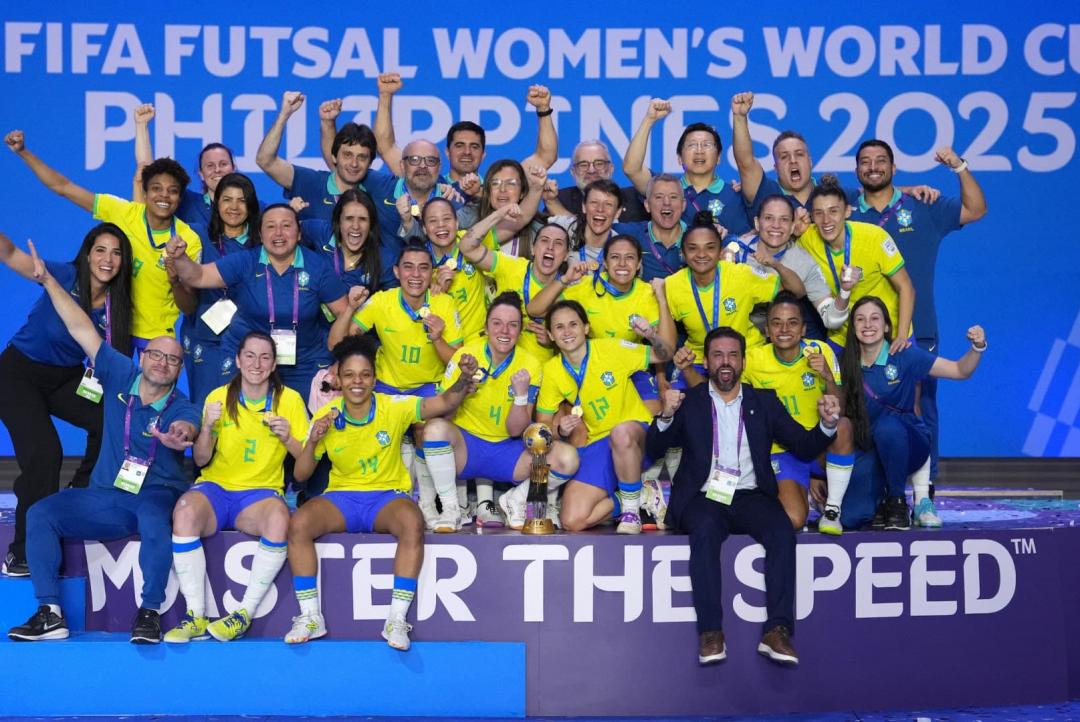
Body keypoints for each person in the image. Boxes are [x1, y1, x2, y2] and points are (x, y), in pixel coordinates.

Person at [7, 241, 198, 643]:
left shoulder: (183, 406)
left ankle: (149, 613)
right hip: (107, 497)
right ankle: (49, 612)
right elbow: (81, 326)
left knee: (155, 521)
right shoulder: (119, 373)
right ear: (142, 358)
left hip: (153, 495)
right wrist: (49, 282)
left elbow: (188, 430)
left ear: (180, 369)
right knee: (41, 512)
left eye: (173, 359)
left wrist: (181, 435)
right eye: (156, 355)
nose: (162, 363)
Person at [646, 326, 840, 665]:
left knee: (782, 531)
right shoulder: (689, 401)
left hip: (750, 495)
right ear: (706, 362)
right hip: (704, 496)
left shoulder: (763, 401)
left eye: (733, 355)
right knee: (705, 531)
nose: (726, 362)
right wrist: (665, 415)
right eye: (718, 355)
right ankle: (711, 633)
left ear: (743, 362)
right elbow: (654, 449)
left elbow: (803, 445)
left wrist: (826, 424)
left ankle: (777, 631)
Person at [284, 334, 480, 648]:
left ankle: (396, 620)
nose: (357, 382)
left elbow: (444, 403)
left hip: (386, 498)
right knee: (298, 525)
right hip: (342, 499)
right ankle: (310, 616)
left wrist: (463, 378)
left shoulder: (394, 406)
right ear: (338, 380)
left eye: (364, 375)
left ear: (374, 379)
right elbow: (300, 474)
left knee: (412, 522)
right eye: (349, 375)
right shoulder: (326, 415)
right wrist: (313, 442)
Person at [848, 139, 988, 489]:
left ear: (894, 168)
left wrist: (958, 166)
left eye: (881, 161)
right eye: (866, 162)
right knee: (864, 410)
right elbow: (808, 200)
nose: (873, 167)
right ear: (856, 170)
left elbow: (975, 210)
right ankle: (878, 489)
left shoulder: (923, 206)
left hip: (918, 328)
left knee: (922, 408)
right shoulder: (846, 209)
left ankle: (925, 491)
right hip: (862, 335)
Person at [0, 226, 133, 577]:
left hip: (66, 377)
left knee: (109, 416)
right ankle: (22, 552)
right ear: (87, 254)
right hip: (18, 373)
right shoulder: (62, 274)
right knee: (45, 454)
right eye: (100, 250)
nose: (107, 259)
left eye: (116, 252)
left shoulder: (118, 305)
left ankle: (77, 493)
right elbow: (10, 254)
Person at [164, 332, 309, 643]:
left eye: (265, 357)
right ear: (239, 361)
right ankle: (195, 615)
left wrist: (288, 438)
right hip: (216, 488)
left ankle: (243, 614)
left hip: (259, 495)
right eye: (250, 356)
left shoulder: (290, 400)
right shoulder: (218, 396)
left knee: (279, 518)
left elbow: (305, 461)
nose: (257, 364)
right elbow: (200, 459)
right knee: (184, 511)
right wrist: (206, 427)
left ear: (274, 364)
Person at [5, 130, 202, 349]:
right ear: (145, 192)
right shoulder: (123, 212)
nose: (164, 196)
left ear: (180, 198)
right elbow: (64, 187)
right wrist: (23, 152)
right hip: (110, 326)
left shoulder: (188, 240)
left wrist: (174, 280)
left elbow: (189, 306)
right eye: (156, 188)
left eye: (172, 191)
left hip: (155, 336)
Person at [423, 292, 579, 530]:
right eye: (497, 323)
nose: (504, 331)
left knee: (567, 457)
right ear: (486, 328)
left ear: (520, 330)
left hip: (509, 453)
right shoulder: (465, 356)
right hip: (467, 449)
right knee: (434, 429)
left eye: (513, 325)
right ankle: (451, 509)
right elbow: (444, 415)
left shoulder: (530, 364)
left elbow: (516, 430)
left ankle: (517, 499)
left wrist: (520, 396)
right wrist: (463, 384)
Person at [166, 204, 350, 399]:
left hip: (304, 361)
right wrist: (181, 258)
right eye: (270, 226)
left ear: (299, 234)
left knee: (301, 416)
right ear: (261, 235)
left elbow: (344, 314)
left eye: (286, 225)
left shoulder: (318, 267)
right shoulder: (245, 261)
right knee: (240, 413)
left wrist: (341, 361)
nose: (278, 233)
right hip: (249, 358)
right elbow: (200, 276)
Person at [840, 296, 986, 530]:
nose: (868, 325)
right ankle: (880, 499)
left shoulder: (904, 354)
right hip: (873, 450)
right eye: (860, 319)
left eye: (875, 318)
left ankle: (897, 502)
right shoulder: (845, 363)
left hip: (910, 445)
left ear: (886, 326)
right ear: (853, 326)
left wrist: (977, 347)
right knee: (850, 517)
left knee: (888, 427)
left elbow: (960, 370)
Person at [536, 300, 674, 534]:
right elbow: (543, 425)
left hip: (636, 435)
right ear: (550, 335)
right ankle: (642, 494)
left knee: (620, 432)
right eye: (559, 327)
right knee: (572, 520)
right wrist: (560, 430)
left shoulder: (612, 348)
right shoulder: (551, 370)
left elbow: (665, 354)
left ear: (586, 328)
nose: (567, 332)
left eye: (573, 324)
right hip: (599, 442)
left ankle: (631, 512)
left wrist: (651, 335)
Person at [254, 92, 399, 288]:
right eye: (347, 155)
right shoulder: (310, 182)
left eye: (362, 157)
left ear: (371, 162)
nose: (354, 163)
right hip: (311, 293)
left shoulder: (378, 190)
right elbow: (265, 160)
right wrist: (284, 114)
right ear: (334, 157)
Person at [526, 233, 676, 413]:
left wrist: (661, 299)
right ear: (605, 262)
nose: (622, 264)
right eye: (615, 257)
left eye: (629, 258)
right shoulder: (587, 286)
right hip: (589, 367)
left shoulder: (646, 293)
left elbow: (667, 347)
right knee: (574, 421)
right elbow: (534, 310)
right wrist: (565, 280)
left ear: (638, 264)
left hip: (629, 364)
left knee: (653, 410)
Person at [743, 292, 855, 533]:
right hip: (783, 452)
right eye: (776, 323)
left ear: (803, 329)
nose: (784, 329)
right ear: (767, 330)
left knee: (843, 425)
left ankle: (832, 510)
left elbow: (841, 407)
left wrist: (827, 376)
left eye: (792, 322)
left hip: (819, 446)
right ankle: (803, 493)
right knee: (793, 519)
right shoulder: (752, 360)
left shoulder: (821, 351)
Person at [364, 74, 559, 195]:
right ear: (447, 152)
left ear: (484, 154)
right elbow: (385, 146)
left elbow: (546, 157)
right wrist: (385, 95)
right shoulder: (425, 180)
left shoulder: (497, 189)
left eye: (474, 147)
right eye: (459, 145)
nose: (467, 152)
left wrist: (543, 109)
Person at [797, 175, 915, 353]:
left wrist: (902, 336)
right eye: (819, 213)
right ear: (812, 216)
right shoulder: (807, 240)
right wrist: (793, 229)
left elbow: (906, 287)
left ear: (847, 211)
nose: (826, 220)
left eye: (833, 211)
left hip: (888, 332)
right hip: (842, 336)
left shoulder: (874, 237)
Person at [664, 213, 779, 388]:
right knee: (678, 399)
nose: (701, 254)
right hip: (698, 357)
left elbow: (792, 291)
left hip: (745, 353)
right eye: (693, 248)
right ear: (683, 253)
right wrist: (660, 378)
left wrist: (777, 265)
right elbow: (665, 343)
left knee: (759, 398)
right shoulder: (672, 285)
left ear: (720, 252)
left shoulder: (741, 275)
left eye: (710, 247)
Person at [181, 172, 260, 409]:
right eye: (227, 199)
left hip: (249, 340)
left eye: (241, 200)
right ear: (216, 203)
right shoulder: (197, 235)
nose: (234, 207)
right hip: (204, 340)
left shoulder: (262, 244)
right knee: (206, 410)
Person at [623, 100, 752, 235]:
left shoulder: (735, 195)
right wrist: (649, 120)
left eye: (707, 145)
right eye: (692, 145)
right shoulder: (664, 189)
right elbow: (632, 169)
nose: (699, 151)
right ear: (679, 158)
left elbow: (745, 240)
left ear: (719, 157)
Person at [735, 194, 850, 342]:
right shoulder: (736, 251)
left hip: (785, 338)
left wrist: (845, 291)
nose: (776, 225)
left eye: (784, 219)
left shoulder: (805, 262)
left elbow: (832, 320)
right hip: (740, 336)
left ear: (792, 226)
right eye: (769, 218)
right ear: (757, 223)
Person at [133, 103, 237, 228]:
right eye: (210, 165)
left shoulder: (249, 207)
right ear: (201, 174)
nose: (217, 169)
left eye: (223, 164)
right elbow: (146, 171)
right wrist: (141, 125)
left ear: (233, 169)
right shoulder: (188, 202)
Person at [299, 188, 383, 294]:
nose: (355, 226)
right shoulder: (321, 231)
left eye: (362, 219)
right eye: (349, 218)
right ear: (339, 220)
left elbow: (396, 297)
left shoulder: (383, 257)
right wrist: (292, 212)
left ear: (371, 223)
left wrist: (369, 301)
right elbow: (288, 233)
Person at [612, 173, 687, 281]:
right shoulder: (629, 234)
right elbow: (596, 231)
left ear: (683, 205)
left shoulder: (697, 238)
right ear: (647, 205)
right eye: (659, 197)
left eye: (673, 197)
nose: (666, 202)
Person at [552, 139, 648, 221]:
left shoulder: (634, 199)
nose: (591, 170)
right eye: (583, 165)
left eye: (599, 163)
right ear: (573, 172)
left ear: (611, 169)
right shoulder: (560, 200)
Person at [550, 179, 623, 267]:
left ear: (618, 212)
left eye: (608, 204)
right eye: (594, 202)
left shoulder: (620, 249)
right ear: (584, 207)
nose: (600, 209)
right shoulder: (564, 228)